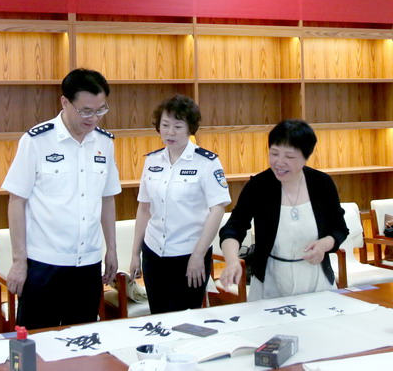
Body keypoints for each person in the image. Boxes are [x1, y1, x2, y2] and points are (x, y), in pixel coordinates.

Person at [2, 68, 121, 329]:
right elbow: (17, 201)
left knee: (82, 340)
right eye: (85, 111)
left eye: (100, 110)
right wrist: (19, 261)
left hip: (88, 265)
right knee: (37, 340)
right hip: (44, 265)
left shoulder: (104, 143)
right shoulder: (37, 140)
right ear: (65, 102)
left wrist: (111, 249)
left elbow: (107, 198)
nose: (94, 118)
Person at [219, 119, 349, 301]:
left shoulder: (321, 183)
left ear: (306, 157)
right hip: (271, 279)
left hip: (316, 278)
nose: (279, 162)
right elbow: (234, 227)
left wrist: (324, 245)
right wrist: (232, 260)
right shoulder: (259, 185)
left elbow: (339, 229)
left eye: (289, 157)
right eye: (274, 153)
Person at [129, 95, 231, 314]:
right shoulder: (151, 160)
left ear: (190, 129)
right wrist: (135, 253)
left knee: (185, 319)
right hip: (153, 253)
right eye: (165, 125)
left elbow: (217, 210)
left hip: (189, 255)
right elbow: (144, 209)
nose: (170, 132)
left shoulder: (207, 162)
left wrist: (198, 255)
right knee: (158, 317)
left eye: (177, 126)